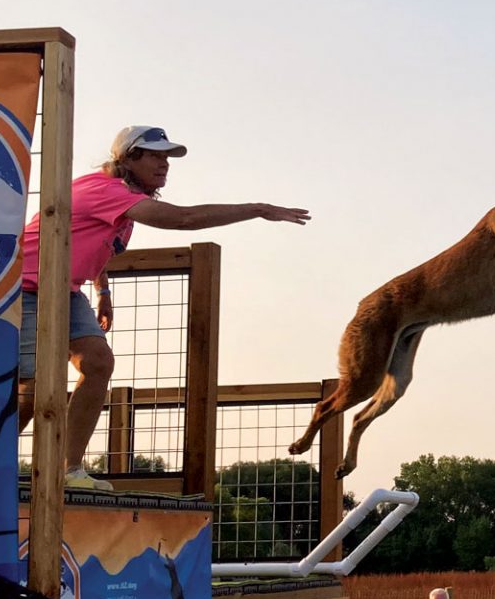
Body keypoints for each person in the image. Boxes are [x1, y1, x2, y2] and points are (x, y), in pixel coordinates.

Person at [17, 125, 310, 490]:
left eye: (167, 158)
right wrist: (258, 209)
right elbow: (182, 219)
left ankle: (68, 470)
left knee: (97, 362)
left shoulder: (122, 197)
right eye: (155, 156)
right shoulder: (104, 190)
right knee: (33, 382)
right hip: (24, 285)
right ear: (128, 158)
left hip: (65, 289)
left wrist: (103, 290)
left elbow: (88, 241)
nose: (165, 164)